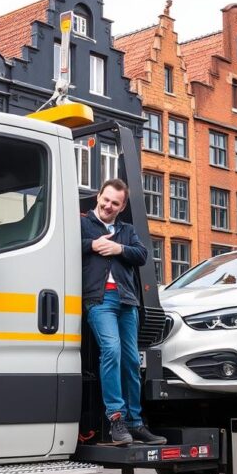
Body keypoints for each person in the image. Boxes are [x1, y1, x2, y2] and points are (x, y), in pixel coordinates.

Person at [82, 178, 167, 446]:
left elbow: (142, 254)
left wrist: (118, 248)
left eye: (115, 203)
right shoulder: (82, 225)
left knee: (131, 360)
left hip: (126, 300)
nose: (108, 206)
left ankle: (135, 422)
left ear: (122, 206)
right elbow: (65, 247)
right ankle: (116, 418)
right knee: (111, 350)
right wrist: (92, 245)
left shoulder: (126, 230)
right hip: (99, 299)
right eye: (105, 200)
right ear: (98, 196)